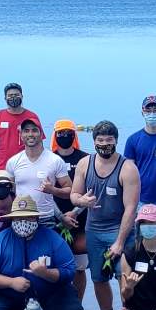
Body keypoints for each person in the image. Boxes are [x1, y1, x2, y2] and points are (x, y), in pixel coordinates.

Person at [0, 195, 85, 310]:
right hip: (7, 295)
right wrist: (10, 282)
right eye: (19, 218)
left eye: (28, 217)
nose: (23, 221)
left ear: (37, 218)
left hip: (48, 294)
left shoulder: (53, 239)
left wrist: (46, 273)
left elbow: (69, 270)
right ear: (12, 219)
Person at [69, 120, 139, 310]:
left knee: (123, 277)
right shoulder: (84, 163)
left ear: (116, 141)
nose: (105, 144)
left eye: (109, 140)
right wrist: (81, 201)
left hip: (119, 229)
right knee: (98, 278)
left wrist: (119, 242)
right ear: (94, 141)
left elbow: (131, 209)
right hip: (94, 231)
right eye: (100, 140)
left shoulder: (127, 168)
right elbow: (74, 194)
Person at [51, 119, 89, 297]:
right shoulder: (49, 158)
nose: (64, 136)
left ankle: (78, 306)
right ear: (54, 136)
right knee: (55, 265)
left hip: (80, 220)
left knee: (80, 267)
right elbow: (44, 193)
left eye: (68, 133)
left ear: (74, 135)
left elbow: (90, 191)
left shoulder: (85, 159)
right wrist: (61, 217)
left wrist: (73, 213)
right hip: (55, 221)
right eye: (60, 133)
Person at [0, 82, 42, 171]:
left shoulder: (32, 116)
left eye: (16, 95)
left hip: (26, 167)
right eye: (10, 95)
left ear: (22, 96)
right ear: (5, 98)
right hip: (2, 168)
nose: (13, 98)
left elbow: (39, 142)